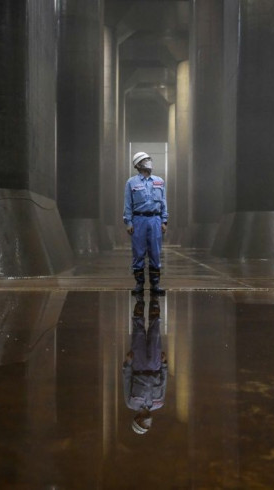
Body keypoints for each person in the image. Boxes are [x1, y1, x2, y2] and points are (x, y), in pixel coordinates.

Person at [123, 151, 168, 295]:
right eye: (145, 159)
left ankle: (155, 285)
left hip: (155, 220)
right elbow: (128, 204)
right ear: (138, 164)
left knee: (155, 252)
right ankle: (139, 284)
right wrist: (128, 222)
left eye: (149, 159)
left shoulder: (159, 181)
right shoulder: (131, 182)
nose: (149, 161)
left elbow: (163, 202)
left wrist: (164, 220)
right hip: (139, 220)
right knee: (139, 252)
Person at [123, 298, 167, 435]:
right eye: (147, 426)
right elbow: (164, 382)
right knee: (155, 331)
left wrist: (128, 363)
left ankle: (139, 298)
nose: (147, 423)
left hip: (139, 365)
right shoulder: (159, 403)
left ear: (138, 419)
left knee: (138, 331)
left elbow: (127, 380)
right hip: (154, 365)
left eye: (143, 424)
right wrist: (164, 364)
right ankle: (155, 298)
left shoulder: (131, 403)